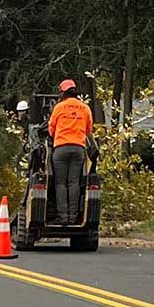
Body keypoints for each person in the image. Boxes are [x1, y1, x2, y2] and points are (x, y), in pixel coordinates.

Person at [47, 77, 94, 225]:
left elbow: (51, 129)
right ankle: (73, 216)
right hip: (78, 149)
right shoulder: (85, 108)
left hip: (61, 148)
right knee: (74, 182)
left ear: (63, 93)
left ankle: (63, 217)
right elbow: (88, 131)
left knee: (60, 183)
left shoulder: (59, 107)